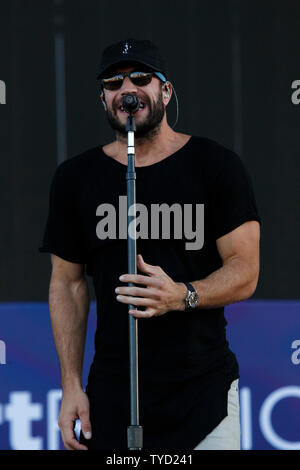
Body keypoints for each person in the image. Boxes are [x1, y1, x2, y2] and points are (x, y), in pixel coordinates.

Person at [39, 38, 261, 451]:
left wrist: (183, 295)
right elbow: (66, 284)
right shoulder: (76, 178)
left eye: (141, 78)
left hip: (203, 394)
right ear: (103, 97)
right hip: (111, 394)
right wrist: (70, 385)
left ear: (166, 91)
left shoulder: (215, 165)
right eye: (113, 82)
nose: (127, 89)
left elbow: (245, 269)